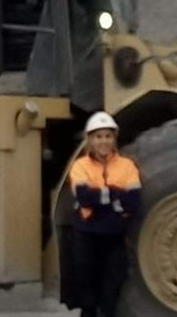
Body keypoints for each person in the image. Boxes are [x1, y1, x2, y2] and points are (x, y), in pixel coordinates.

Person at [68, 111, 141, 317]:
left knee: (111, 292)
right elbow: (84, 197)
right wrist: (116, 196)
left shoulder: (127, 166)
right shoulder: (80, 166)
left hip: (114, 236)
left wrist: (101, 197)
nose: (104, 141)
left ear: (114, 139)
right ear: (90, 140)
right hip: (87, 235)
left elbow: (133, 201)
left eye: (108, 136)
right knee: (87, 291)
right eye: (98, 136)